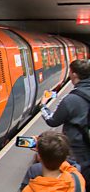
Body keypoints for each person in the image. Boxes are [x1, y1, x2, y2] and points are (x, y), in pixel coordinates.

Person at [40, 59, 90, 190]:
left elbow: (52, 121)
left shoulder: (71, 99)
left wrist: (43, 105)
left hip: (78, 149)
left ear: (73, 74)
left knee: (78, 178)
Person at [21, 131, 85, 192]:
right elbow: (67, 164)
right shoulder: (77, 180)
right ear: (65, 157)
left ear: (39, 157)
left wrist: (43, 150)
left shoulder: (29, 189)